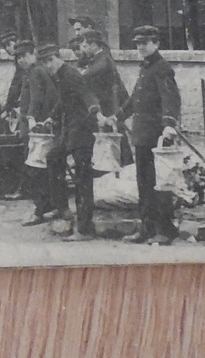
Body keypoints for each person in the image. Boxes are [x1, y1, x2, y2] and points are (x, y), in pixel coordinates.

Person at [117, 25, 182, 245]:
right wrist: (117, 116)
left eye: (145, 43)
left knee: (160, 183)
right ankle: (147, 228)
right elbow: (135, 98)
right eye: (138, 44)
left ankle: (165, 229)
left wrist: (169, 124)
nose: (141, 47)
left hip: (157, 135)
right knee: (144, 183)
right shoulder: (145, 68)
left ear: (157, 44)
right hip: (142, 135)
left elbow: (170, 98)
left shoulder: (162, 68)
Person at [47, 41, 104, 240]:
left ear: (59, 58)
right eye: (44, 62)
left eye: (50, 60)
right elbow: (64, 100)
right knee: (53, 157)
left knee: (83, 179)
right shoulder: (60, 76)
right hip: (70, 131)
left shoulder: (71, 75)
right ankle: (62, 209)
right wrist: (51, 116)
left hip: (83, 131)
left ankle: (85, 228)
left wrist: (95, 112)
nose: (48, 65)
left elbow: (87, 95)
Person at [19, 41, 68, 227]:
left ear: (32, 54)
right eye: (18, 57)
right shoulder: (41, 70)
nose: (21, 60)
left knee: (36, 168)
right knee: (50, 167)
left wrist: (31, 119)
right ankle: (55, 205)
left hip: (39, 129)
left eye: (24, 55)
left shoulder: (36, 71)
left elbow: (37, 98)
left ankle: (40, 209)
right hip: (48, 125)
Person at [75, 27, 130, 165]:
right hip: (104, 108)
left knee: (114, 147)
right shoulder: (96, 59)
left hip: (107, 109)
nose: (83, 49)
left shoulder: (102, 60)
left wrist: (79, 76)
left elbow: (88, 76)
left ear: (94, 45)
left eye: (86, 46)